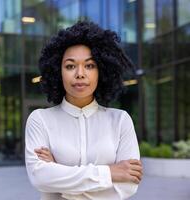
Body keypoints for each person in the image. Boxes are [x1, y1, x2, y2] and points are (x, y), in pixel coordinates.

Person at [25, 21, 143, 200]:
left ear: (101, 71)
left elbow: (128, 184)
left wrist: (60, 176)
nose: (80, 73)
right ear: (58, 71)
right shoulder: (40, 119)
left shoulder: (120, 120)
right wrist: (110, 173)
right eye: (70, 66)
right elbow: (40, 178)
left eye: (89, 65)